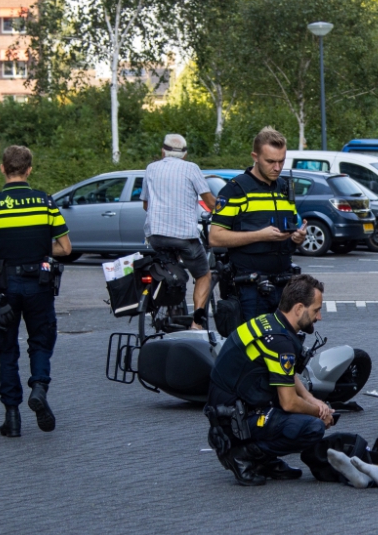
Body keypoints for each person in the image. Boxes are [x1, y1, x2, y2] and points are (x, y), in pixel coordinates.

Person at [0, 145, 73, 438]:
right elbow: (66, 248)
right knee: (41, 341)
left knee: (7, 350)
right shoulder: (45, 203)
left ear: (3, 168)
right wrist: (40, 248)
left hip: (5, 287)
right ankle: (39, 387)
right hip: (39, 284)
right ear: (29, 170)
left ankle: (12, 418)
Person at [204, 274, 334, 486]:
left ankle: (264, 459)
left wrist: (311, 398)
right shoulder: (281, 342)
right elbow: (289, 402)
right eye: (316, 310)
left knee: (298, 410)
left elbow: (284, 372)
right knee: (312, 427)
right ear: (299, 308)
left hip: (227, 408)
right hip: (234, 418)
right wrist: (321, 413)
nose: (319, 317)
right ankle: (243, 454)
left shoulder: (270, 322)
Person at [209, 127, 307, 321]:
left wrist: (297, 237)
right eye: (270, 161)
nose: (277, 167)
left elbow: (289, 231)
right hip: (250, 287)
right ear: (255, 156)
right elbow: (215, 236)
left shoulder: (284, 187)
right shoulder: (236, 190)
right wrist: (260, 235)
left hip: (284, 284)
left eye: (281, 161)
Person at [141, 134, 217, 327]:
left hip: (156, 235)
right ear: (185, 154)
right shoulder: (191, 168)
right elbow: (210, 203)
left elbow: (145, 205)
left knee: (170, 265)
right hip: (184, 235)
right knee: (203, 274)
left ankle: (170, 310)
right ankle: (197, 323)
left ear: (162, 151)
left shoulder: (151, 168)